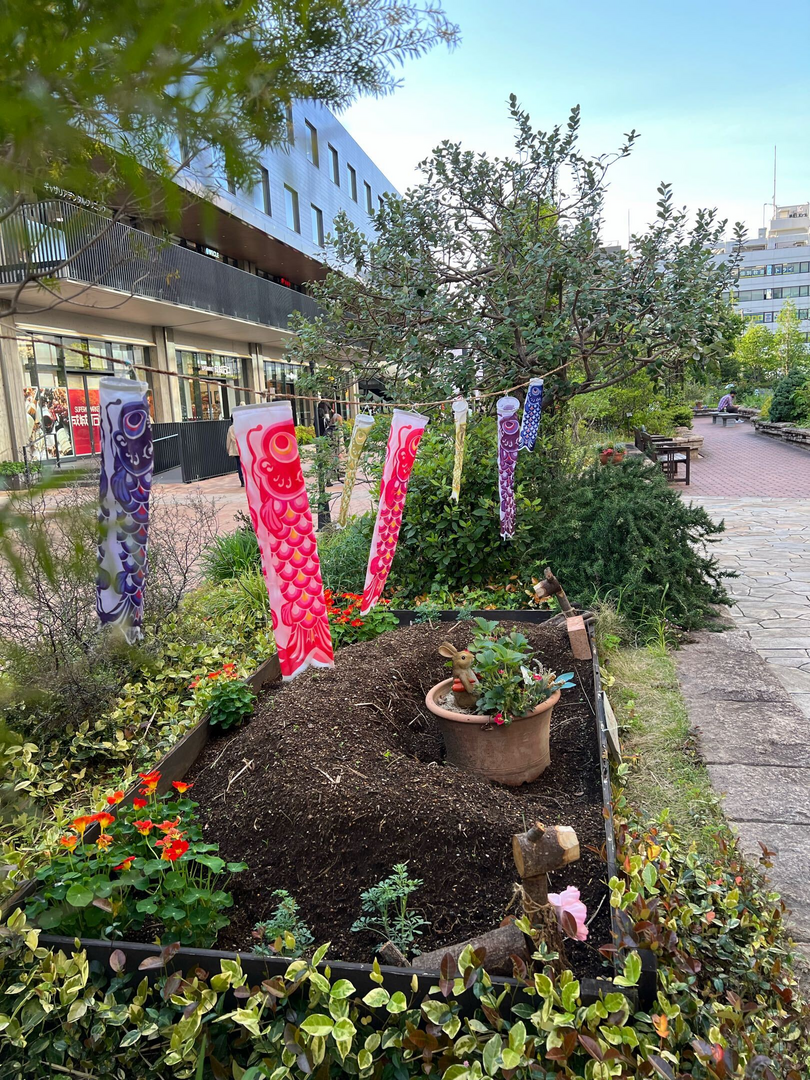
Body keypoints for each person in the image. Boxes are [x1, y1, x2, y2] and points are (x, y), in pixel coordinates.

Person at [226, 418, 244, 485]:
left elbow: (228, 440)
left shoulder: (231, 428)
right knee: (245, 464)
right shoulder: (241, 426)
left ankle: (242, 480)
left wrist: (228, 449)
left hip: (235, 448)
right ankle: (247, 479)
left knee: (238, 464)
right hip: (243, 448)